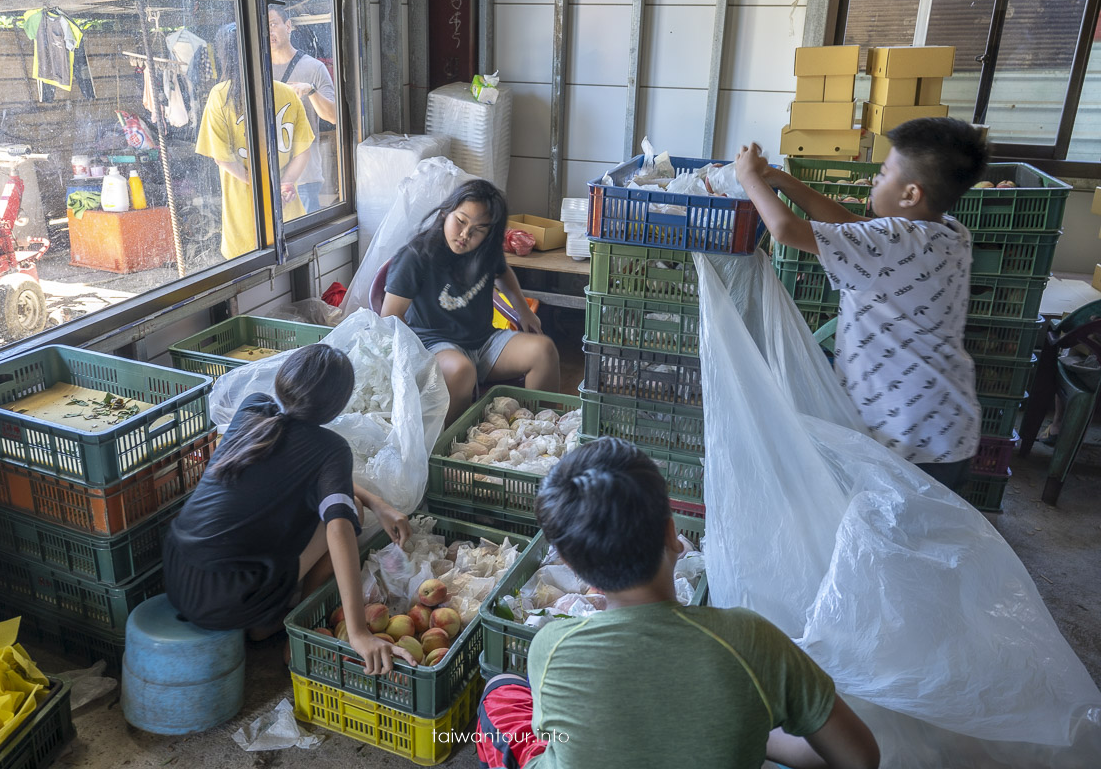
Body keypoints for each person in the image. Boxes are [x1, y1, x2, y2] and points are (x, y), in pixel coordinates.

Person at [475, 437, 880, 769]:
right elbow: (860, 757)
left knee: (500, 693)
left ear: (571, 566)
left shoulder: (552, 648)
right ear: (673, 536)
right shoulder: (751, 639)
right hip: (736, 707)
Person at [735, 118, 990, 492]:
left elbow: (786, 230)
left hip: (906, 439)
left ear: (910, 194)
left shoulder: (888, 241)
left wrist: (748, 179)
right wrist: (778, 178)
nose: (875, 178)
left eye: (884, 172)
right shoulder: (949, 231)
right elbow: (852, 224)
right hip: (948, 430)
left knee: (889, 541)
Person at [162, 343, 416, 675]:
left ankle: (265, 620)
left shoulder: (254, 409)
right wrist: (359, 633)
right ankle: (299, 624)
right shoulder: (331, 449)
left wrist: (378, 502)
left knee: (343, 504)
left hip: (178, 577)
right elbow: (339, 527)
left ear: (284, 380)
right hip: (227, 597)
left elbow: (322, 480)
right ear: (337, 407)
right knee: (349, 512)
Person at [380, 179, 560, 424]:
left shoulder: (485, 250)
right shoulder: (415, 257)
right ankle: (446, 448)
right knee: (463, 370)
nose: (465, 235)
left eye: (478, 229)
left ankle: (539, 432)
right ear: (446, 213)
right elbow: (390, 318)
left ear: (489, 233)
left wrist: (523, 311)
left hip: (485, 340)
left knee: (544, 350)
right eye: (461, 221)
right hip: (434, 345)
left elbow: (503, 273)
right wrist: (410, 366)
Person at [196, 22, 314, 260]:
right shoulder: (286, 93)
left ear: (223, 55)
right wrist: (286, 184)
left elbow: (223, 158)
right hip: (288, 212)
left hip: (245, 218)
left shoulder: (220, 96)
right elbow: (303, 150)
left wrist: (264, 187)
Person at [267, 3, 338, 216]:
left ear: (288, 26)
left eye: (273, 24)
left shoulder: (313, 67)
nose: (269, 32)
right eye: (264, 28)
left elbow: (334, 117)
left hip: (305, 176)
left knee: (305, 238)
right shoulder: (257, 71)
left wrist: (311, 91)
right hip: (269, 176)